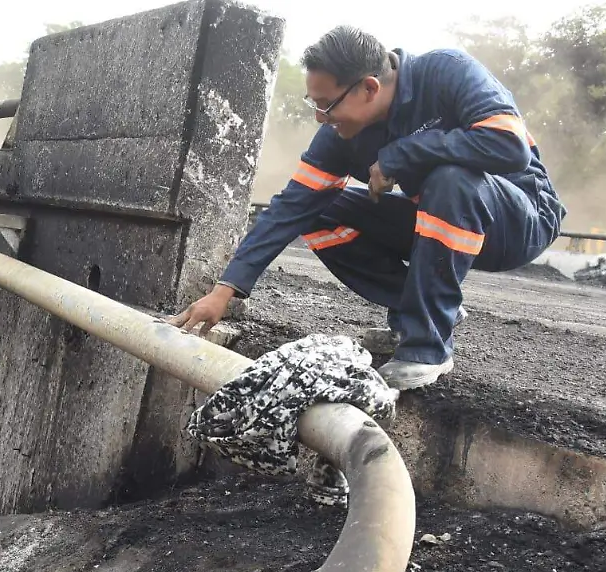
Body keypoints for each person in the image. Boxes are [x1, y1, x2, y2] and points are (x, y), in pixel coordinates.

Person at [168, 26, 566, 390]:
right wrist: (225, 290)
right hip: (439, 217)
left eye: (327, 104)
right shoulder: (341, 134)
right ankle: (418, 306)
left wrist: (402, 154)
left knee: (451, 179)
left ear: (369, 88)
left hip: (519, 218)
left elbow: (509, 147)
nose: (321, 117)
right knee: (321, 211)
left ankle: (428, 347)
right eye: (314, 103)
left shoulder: (448, 72)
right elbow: (291, 208)